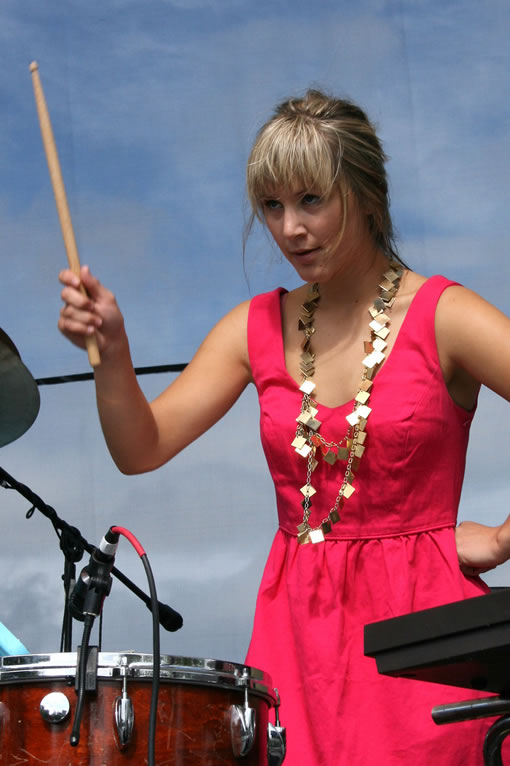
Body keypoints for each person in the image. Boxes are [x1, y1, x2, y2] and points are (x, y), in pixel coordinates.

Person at [58, 89, 510, 765]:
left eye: (310, 201)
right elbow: (139, 448)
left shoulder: (445, 314)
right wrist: (113, 352)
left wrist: (504, 537)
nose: (289, 228)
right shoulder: (254, 327)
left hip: (425, 648)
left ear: (365, 195)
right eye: (271, 206)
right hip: (294, 645)